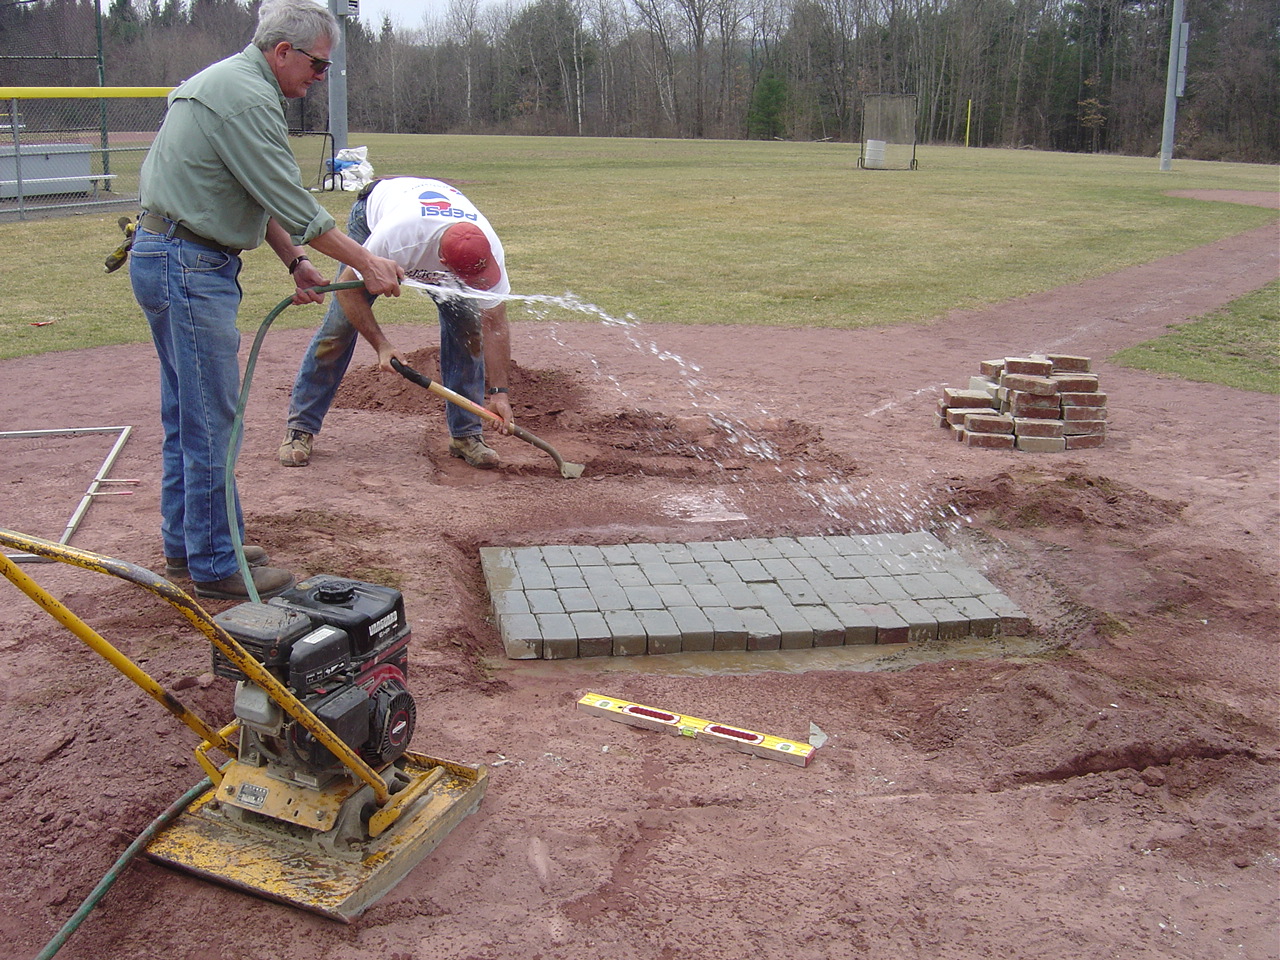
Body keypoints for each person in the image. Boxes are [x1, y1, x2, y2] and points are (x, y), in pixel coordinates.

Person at [129, 0, 404, 601]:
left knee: (188, 414)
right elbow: (294, 203)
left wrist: (297, 263)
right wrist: (367, 263)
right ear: (283, 52)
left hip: (168, 255)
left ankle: (194, 541)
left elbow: (254, 193)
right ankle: (214, 564)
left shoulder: (228, 84)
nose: (320, 77)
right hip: (186, 264)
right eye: (319, 65)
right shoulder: (248, 99)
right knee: (211, 421)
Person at [278, 177, 514, 470]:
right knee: (339, 327)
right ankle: (301, 428)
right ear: (441, 260)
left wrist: (500, 393)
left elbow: (494, 323)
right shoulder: (398, 238)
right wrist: (381, 345)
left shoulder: (487, 248)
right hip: (375, 213)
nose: (471, 284)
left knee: (468, 327)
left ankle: (466, 435)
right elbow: (349, 291)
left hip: (430, 217)